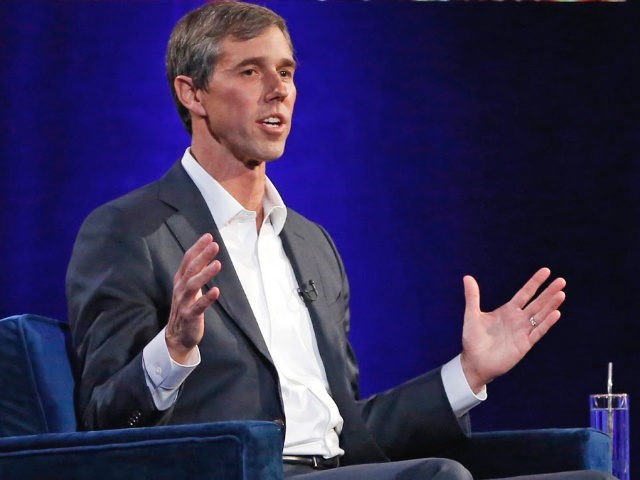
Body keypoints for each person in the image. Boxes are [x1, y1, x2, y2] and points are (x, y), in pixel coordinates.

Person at [66, 2, 612, 479]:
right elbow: (104, 422)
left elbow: (352, 429)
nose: (278, 90)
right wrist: (175, 346)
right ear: (193, 93)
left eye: (286, 71)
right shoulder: (128, 231)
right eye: (251, 71)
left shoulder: (311, 244)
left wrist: (467, 374)